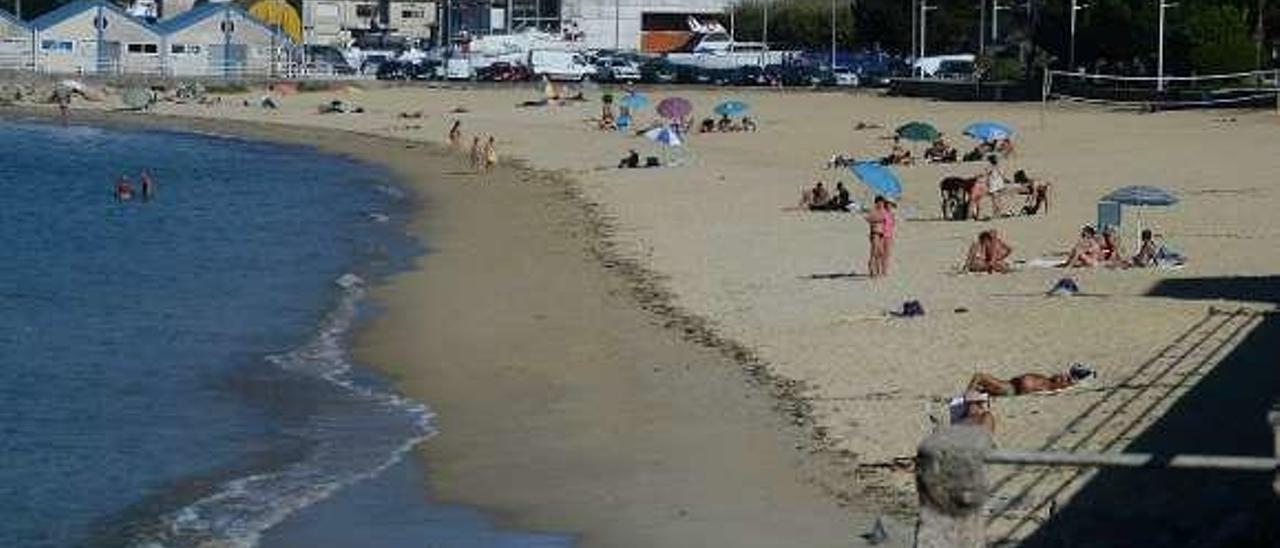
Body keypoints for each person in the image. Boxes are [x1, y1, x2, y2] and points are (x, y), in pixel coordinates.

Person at [967, 363, 1096, 397]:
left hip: (1010, 388)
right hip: (1011, 385)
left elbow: (1072, 385)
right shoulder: (1054, 381)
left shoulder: (1060, 385)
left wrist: (1075, 380)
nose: (1062, 375)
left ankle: (965, 397)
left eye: (1066, 377)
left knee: (979, 376)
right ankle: (969, 396)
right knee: (981, 386)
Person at [865, 196, 890, 277]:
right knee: (874, 252)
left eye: (882, 202)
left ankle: (878, 270)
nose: (881, 204)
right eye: (879, 202)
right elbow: (868, 219)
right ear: (876, 203)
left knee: (880, 253)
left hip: (881, 234)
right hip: (875, 233)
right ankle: (872, 270)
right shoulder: (874, 211)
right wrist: (877, 219)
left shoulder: (884, 211)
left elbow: (887, 221)